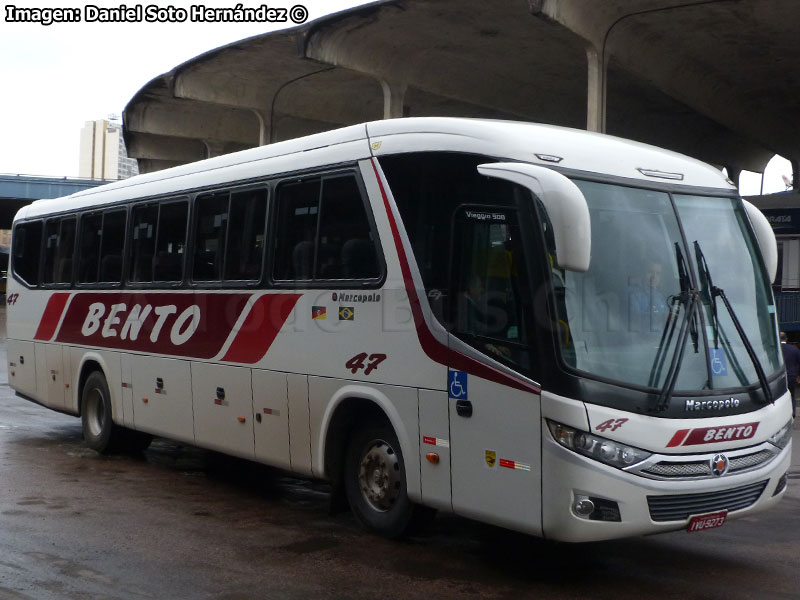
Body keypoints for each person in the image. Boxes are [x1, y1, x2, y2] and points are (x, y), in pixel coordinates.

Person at [779, 331, 800, 418]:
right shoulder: (794, 349)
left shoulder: (774, 349)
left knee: (779, 396)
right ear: (786, 339)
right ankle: (793, 413)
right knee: (791, 394)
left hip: (778, 377)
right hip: (791, 376)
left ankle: (781, 414)